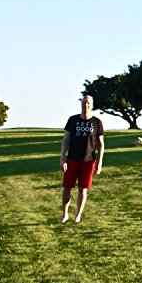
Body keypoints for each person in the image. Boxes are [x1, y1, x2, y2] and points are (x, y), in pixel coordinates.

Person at [60, 95, 104, 223]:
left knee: (83, 189)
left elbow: (101, 144)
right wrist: (63, 159)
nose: (86, 105)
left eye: (88, 103)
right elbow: (66, 140)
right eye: (84, 102)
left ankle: (78, 215)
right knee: (67, 187)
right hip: (72, 159)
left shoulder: (97, 122)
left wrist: (99, 163)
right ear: (81, 104)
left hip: (88, 161)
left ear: (92, 105)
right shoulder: (72, 120)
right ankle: (65, 214)